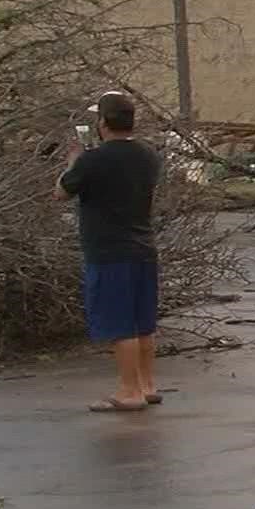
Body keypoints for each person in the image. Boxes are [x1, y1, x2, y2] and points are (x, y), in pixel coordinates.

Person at [56, 91, 163, 413]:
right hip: (143, 247)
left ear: (102, 122)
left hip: (109, 249)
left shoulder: (93, 160)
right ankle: (147, 385)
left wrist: (73, 162)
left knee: (120, 324)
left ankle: (129, 391)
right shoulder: (148, 155)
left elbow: (61, 192)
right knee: (143, 322)